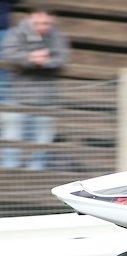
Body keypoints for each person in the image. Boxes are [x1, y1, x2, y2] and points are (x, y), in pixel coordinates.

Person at [1, 6, 69, 170]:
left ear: (52, 21)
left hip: (47, 97)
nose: (42, 27)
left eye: (46, 23)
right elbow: (9, 55)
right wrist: (30, 58)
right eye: (37, 23)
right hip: (16, 95)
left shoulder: (58, 36)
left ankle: (36, 169)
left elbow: (62, 59)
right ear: (30, 19)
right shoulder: (16, 33)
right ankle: (9, 169)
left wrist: (45, 62)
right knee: (12, 136)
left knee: (42, 139)